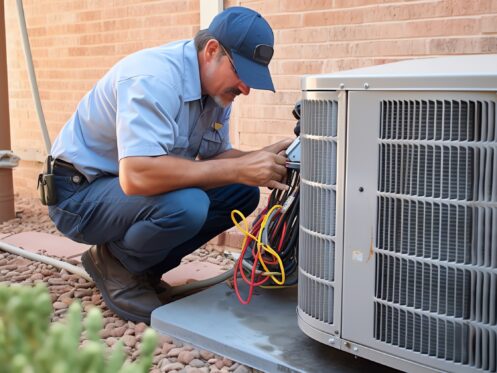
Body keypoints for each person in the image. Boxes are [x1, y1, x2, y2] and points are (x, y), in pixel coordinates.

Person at [48, 6, 291, 324]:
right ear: (212, 51)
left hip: (123, 192)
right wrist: (237, 168)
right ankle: (116, 264)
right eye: (240, 73)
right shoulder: (153, 77)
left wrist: (260, 157)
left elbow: (214, 161)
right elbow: (137, 176)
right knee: (187, 204)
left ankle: (144, 268)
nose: (245, 88)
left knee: (240, 192)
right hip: (78, 195)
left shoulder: (216, 93)